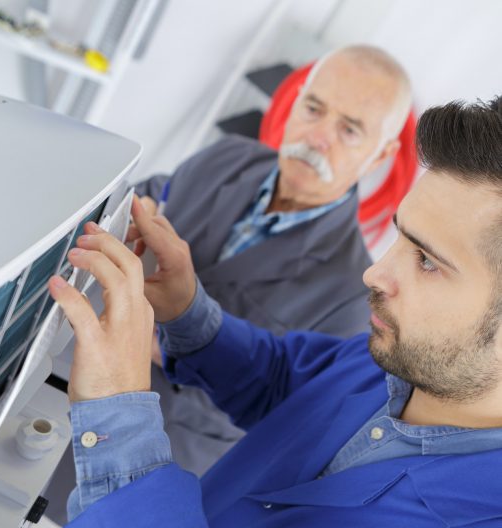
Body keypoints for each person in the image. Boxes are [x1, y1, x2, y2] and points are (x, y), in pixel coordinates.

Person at [49, 96, 502, 528]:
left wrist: (119, 412)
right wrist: (187, 310)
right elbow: (281, 379)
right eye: (401, 239)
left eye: (426, 260)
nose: (374, 274)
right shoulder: (398, 358)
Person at [131, 44, 412, 474]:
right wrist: (140, 206)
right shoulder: (225, 157)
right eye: (313, 108)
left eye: (350, 130)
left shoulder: (352, 298)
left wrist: (151, 340)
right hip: (59, 384)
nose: (317, 136)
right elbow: (155, 190)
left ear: (382, 154)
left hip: (153, 463)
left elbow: (279, 417)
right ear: (295, 100)